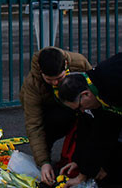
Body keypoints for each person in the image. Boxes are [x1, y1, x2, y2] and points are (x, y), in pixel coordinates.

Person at [19, 47, 91, 185]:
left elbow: (93, 91)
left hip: (76, 104)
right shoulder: (32, 85)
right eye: (49, 79)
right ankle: (48, 163)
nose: (55, 83)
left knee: (88, 122)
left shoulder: (79, 63)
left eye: (59, 78)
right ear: (41, 71)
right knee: (51, 126)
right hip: (51, 112)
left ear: (66, 66)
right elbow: (34, 125)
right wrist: (44, 162)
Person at [57, 53, 122, 187]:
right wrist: (80, 163)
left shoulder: (113, 83)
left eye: (80, 107)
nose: (82, 110)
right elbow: (96, 131)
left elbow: (109, 130)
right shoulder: (94, 86)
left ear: (85, 94)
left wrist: (107, 167)